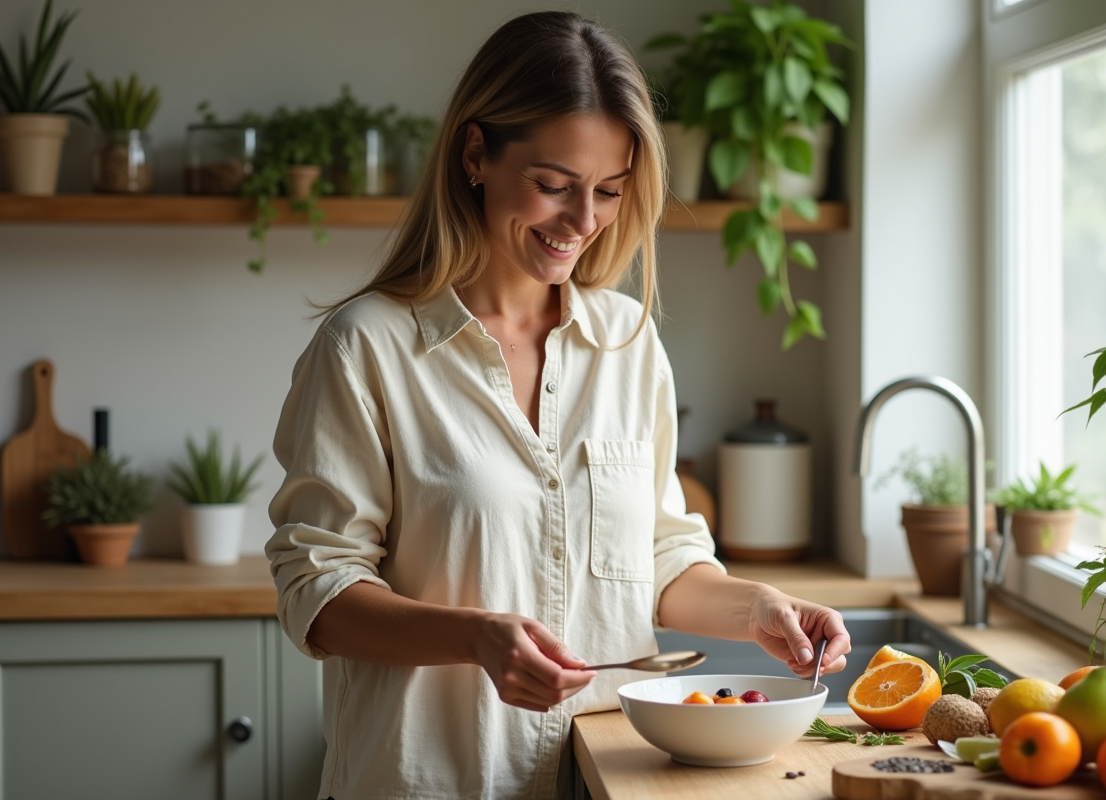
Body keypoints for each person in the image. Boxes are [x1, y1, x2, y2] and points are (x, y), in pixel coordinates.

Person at [265, 10, 852, 800]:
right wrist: (476, 638)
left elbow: (659, 558)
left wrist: (761, 609)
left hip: (606, 779)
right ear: (476, 154)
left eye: (609, 192)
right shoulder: (366, 347)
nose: (583, 222)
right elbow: (319, 592)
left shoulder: (627, 342)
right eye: (553, 186)